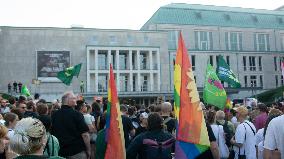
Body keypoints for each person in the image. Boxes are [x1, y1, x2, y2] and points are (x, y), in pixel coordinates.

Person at [51, 91, 90, 158]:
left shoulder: (54, 115)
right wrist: (89, 150)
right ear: (68, 100)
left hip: (60, 152)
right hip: (76, 152)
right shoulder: (77, 114)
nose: (76, 100)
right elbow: (85, 134)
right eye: (74, 98)